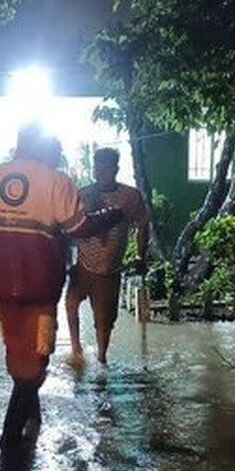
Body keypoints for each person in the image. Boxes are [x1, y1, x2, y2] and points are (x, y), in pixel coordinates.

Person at [0, 123, 119, 449]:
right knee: (39, 354)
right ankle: (10, 436)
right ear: (49, 151)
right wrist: (109, 216)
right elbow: (79, 228)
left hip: (2, 290)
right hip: (42, 290)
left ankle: (31, 420)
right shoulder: (56, 182)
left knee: (17, 352)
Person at [65, 147, 149, 365]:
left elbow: (143, 224)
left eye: (105, 168)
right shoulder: (83, 195)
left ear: (115, 169)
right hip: (83, 266)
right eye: (97, 167)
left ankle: (102, 360)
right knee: (70, 303)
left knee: (104, 322)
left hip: (109, 272)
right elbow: (68, 228)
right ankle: (76, 350)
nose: (99, 172)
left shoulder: (129, 197)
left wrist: (140, 256)